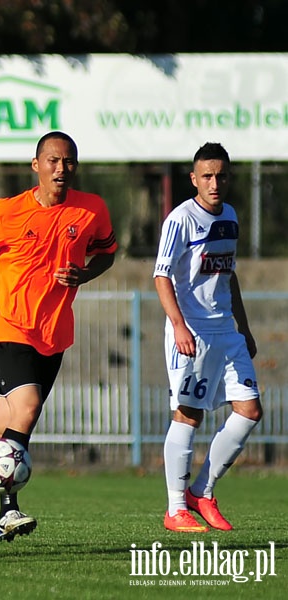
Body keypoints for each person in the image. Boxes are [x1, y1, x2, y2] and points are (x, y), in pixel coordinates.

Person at [0, 131, 117, 542]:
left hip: (54, 335)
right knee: (26, 407)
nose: (60, 169)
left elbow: (107, 251)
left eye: (68, 162)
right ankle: (7, 511)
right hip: (9, 326)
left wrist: (86, 272)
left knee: (2, 426)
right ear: (36, 166)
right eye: (52, 161)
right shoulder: (5, 213)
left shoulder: (91, 209)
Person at [153, 142, 261, 533]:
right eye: (207, 176)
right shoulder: (180, 219)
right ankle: (175, 508)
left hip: (226, 331)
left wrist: (243, 327)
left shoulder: (230, 215)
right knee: (189, 413)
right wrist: (179, 325)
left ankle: (203, 492)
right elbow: (161, 276)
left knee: (249, 410)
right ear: (194, 179)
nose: (215, 183)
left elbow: (227, 277)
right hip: (193, 331)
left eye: (222, 176)